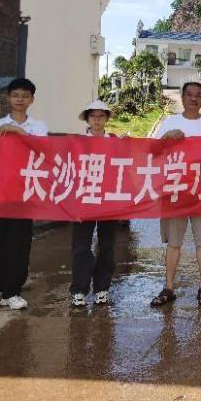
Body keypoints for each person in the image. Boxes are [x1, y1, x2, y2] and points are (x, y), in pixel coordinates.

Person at [0, 78, 48, 310]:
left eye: (25, 96)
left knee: (19, 243)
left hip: (24, 195)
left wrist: (18, 132)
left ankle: (13, 292)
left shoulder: (38, 127)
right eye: (15, 95)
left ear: (32, 100)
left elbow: (43, 152)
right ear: (8, 97)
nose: (20, 100)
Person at [150, 82, 201, 308]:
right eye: (189, 94)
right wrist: (166, 138)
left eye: (198, 95)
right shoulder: (169, 123)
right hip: (174, 191)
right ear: (182, 97)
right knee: (173, 243)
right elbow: (152, 152)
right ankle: (169, 287)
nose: (193, 99)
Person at [70, 99, 121, 307]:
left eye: (101, 116)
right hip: (84, 199)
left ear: (106, 118)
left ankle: (102, 288)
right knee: (81, 246)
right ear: (87, 119)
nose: (97, 120)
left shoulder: (115, 141)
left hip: (109, 201)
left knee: (107, 245)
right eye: (93, 116)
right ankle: (79, 290)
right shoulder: (78, 142)